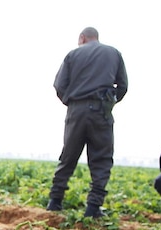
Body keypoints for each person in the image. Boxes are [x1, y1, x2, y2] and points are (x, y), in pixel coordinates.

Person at [47, 27, 128, 218]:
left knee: (68, 156)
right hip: (102, 110)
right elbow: (123, 85)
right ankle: (93, 208)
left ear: (82, 38)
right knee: (101, 159)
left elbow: (59, 85)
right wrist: (110, 102)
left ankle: (55, 201)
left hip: (76, 110)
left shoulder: (73, 54)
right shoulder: (114, 53)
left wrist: (71, 101)